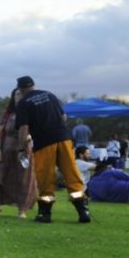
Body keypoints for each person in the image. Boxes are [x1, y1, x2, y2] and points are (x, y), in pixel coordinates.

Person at [14, 76, 90, 223]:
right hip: (64, 138)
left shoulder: (23, 103)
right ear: (34, 85)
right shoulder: (50, 95)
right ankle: (83, 212)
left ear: (21, 89)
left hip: (44, 142)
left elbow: (23, 128)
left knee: (46, 177)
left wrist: (21, 149)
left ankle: (45, 214)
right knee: (71, 173)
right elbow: (64, 116)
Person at [0, 89, 38, 218]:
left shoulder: (31, 112)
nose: (19, 96)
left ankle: (22, 209)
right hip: (7, 147)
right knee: (0, 177)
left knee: (24, 179)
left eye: (21, 94)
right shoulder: (7, 114)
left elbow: (37, 129)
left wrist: (31, 137)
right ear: (13, 97)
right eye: (17, 94)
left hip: (25, 148)